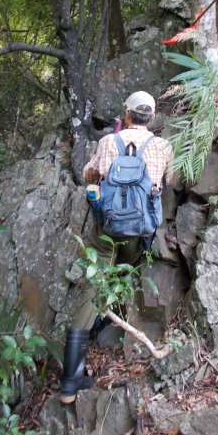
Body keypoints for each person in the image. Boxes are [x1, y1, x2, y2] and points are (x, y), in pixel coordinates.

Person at [60, 91, 174, 404]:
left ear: (125, 114)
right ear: (151, 117)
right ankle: (116, 313)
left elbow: (89, 175)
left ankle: (70, 382)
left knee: (93, 287)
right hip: (139, 232)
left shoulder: (109, 143)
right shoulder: (163, 146)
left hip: (107, 229)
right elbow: (167, 181)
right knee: (132, 264)